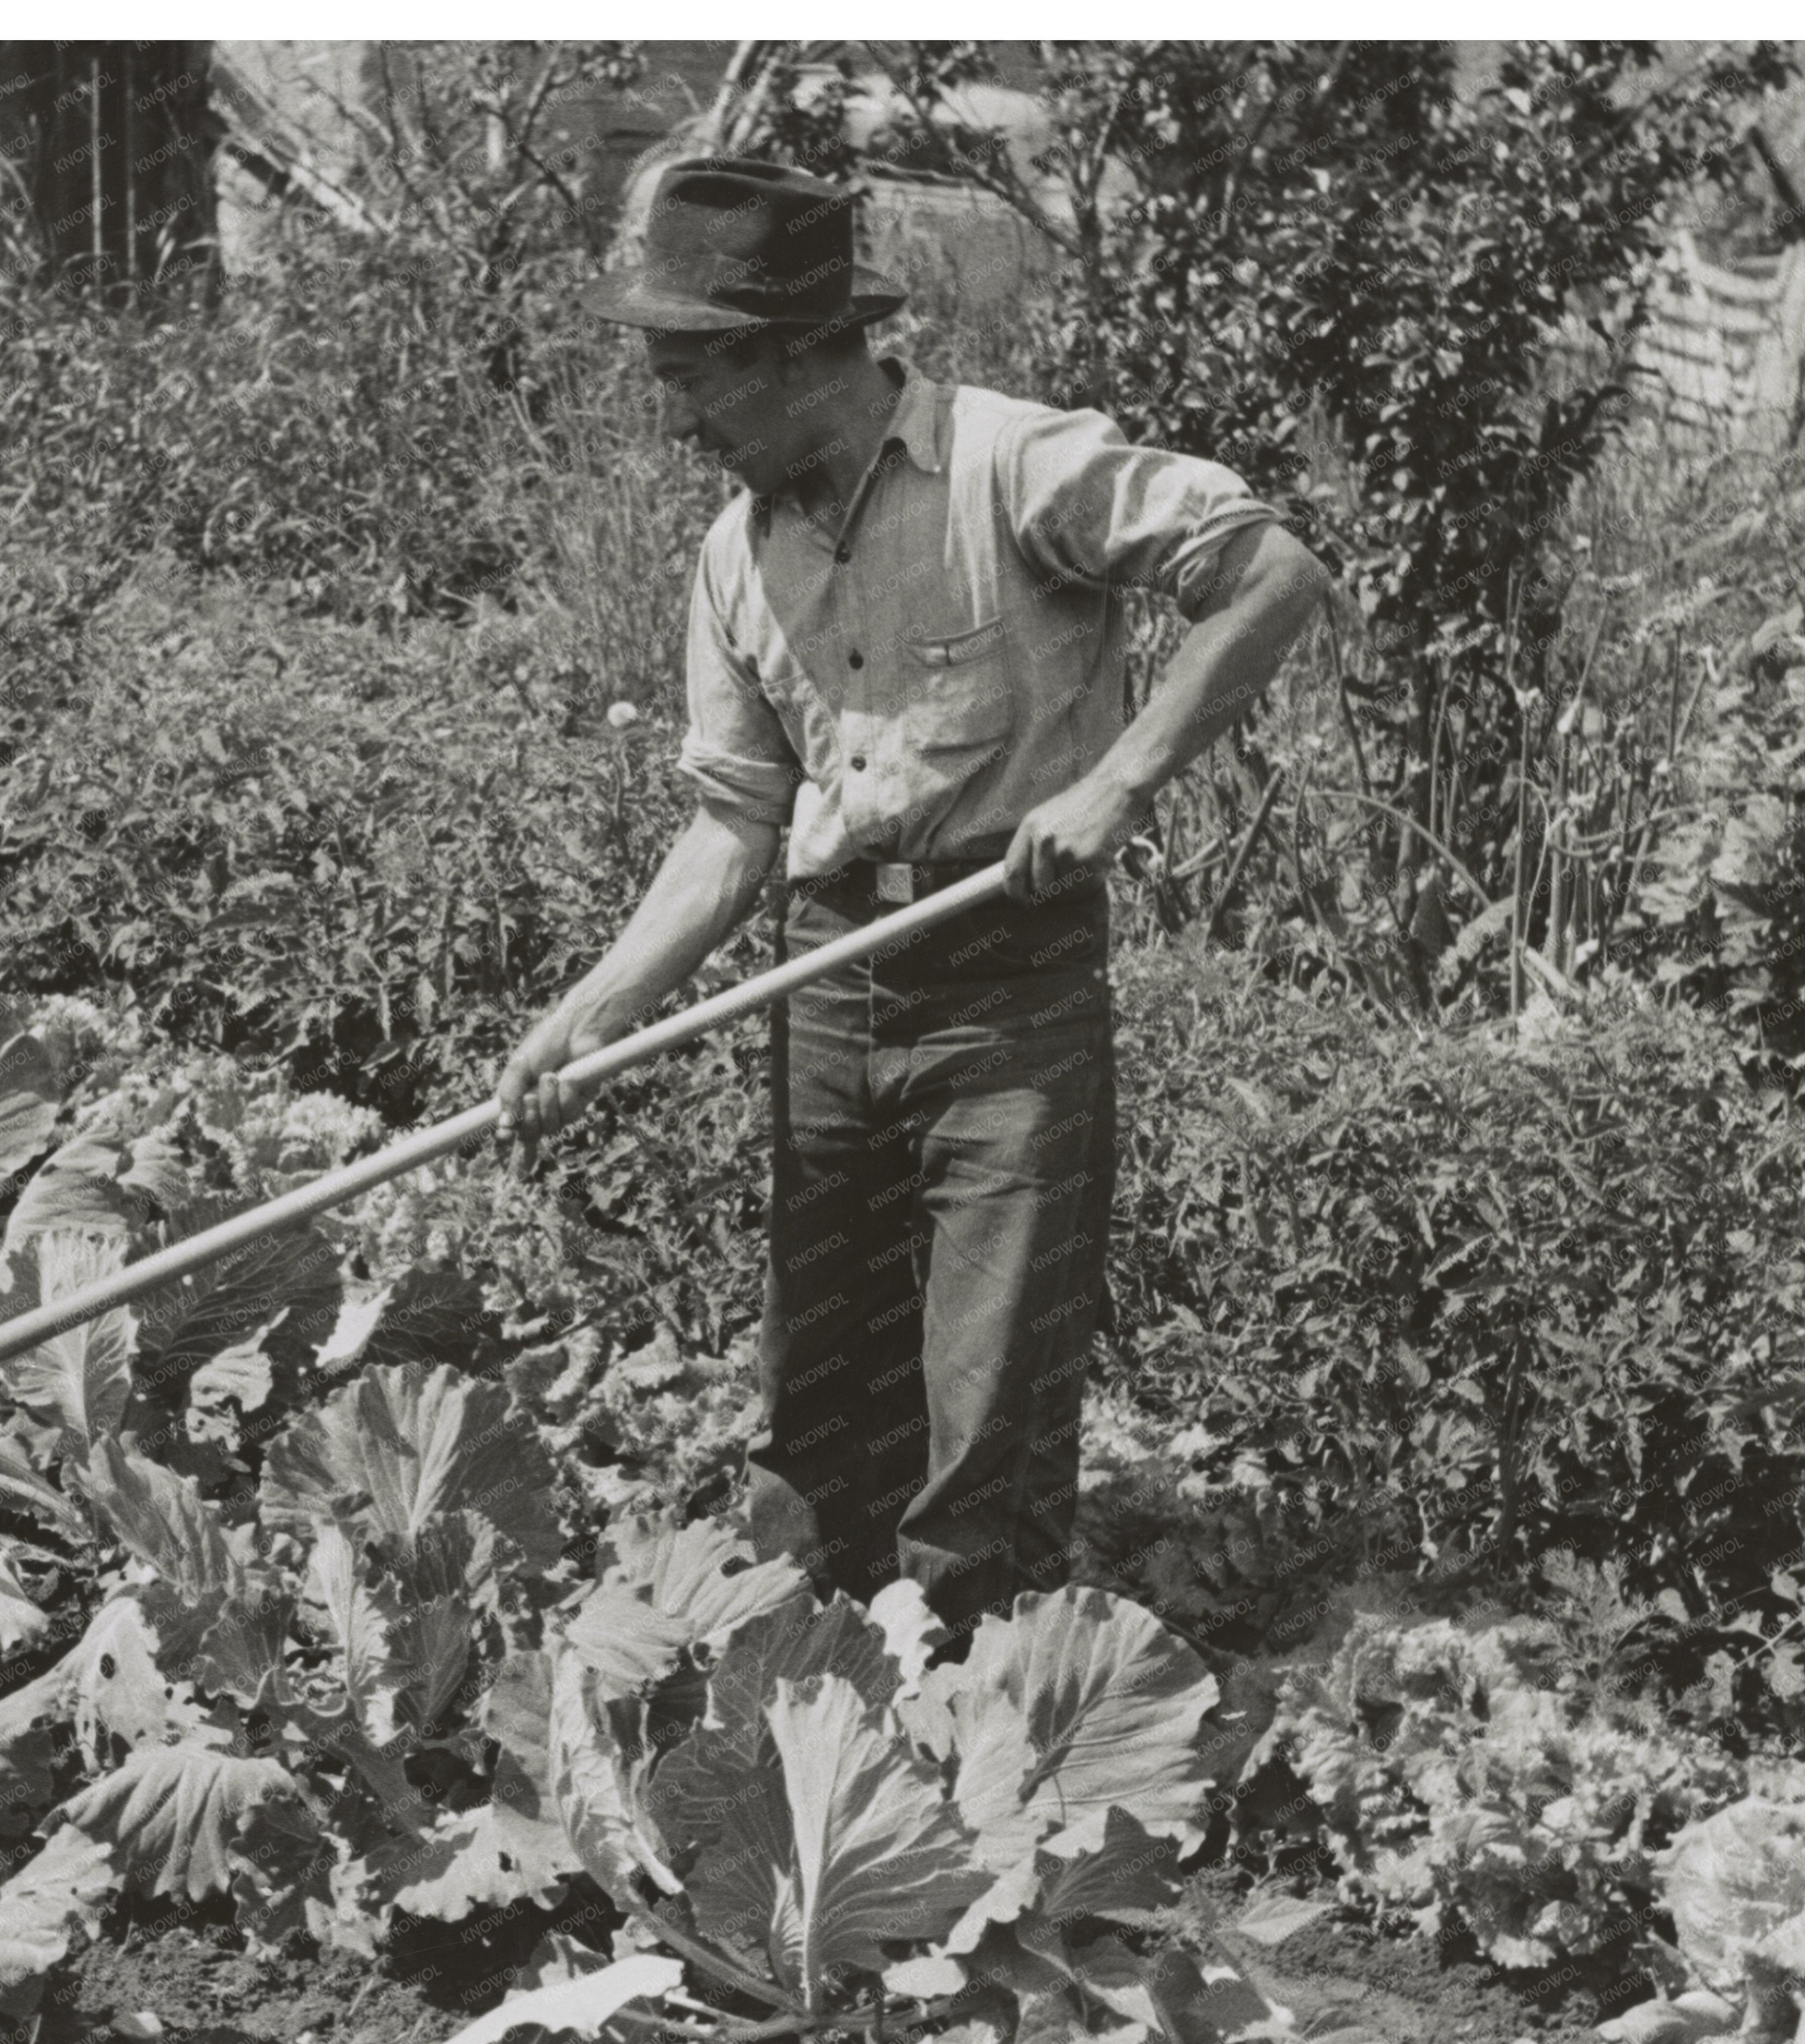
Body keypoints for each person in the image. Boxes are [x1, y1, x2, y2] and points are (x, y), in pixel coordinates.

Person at [495, 157, 1332, 1642]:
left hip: (1007, 975)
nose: (678, 420)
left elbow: (1269, 576)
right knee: (823, 1388)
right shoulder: (731, 557)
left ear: (788, 353)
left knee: (987, 1394)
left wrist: (1121, 781)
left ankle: (975, 1726)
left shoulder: (1014, 467)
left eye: (693, 376)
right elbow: (730, 827)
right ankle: (806, 1704)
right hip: (828, 978)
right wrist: (592, 1012)